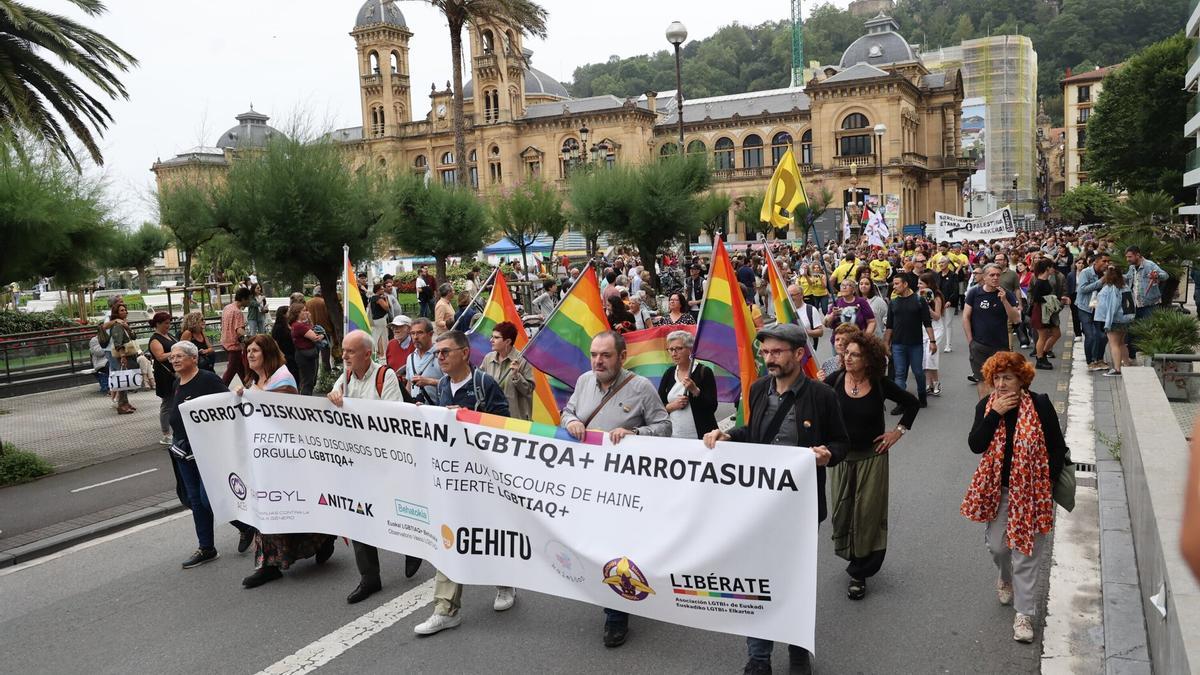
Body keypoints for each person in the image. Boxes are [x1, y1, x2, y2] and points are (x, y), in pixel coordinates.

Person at [702, 323, 848, 675]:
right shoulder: (757, 390)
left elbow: (842, 443)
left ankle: (798, 649)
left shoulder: (822, 396)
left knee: (794, 580)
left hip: (800, 507)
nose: (769, 358)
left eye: (777, 352)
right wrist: (727, 434)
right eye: (765, 352)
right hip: (758, 505)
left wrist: (828, 454)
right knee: (757, 580)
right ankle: (759, 657)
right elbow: (754, 434)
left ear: (799, 354)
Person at [560, 331, 671, 648]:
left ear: (622, 356)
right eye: (594, 354)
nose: (598, 360)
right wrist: (571, 422)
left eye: (605, 355)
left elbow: (664, 427)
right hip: (587, 484)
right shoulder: (583, 382)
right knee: (596, 543)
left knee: (617, 546)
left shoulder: (640, 388)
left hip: (626, 488)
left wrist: (634, 432)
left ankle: (616, 614)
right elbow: (567, 411)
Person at [412, 329, 514, 635]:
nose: (439, 357)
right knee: (449, 537)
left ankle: (505, 583)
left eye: (445, 352)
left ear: (465, 353)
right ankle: (446, 609)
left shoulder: (485, 383)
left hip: (483, 477)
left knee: (488, 533)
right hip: (451, 478)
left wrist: (469, 417)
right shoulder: (443, 384)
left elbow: (505, 424)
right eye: (437, 353)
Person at [962, 351, 1068, 644]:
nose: (1001, 383)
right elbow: (975, 445)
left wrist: (1046, 483)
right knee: (998, 547)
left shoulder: (1041, 405)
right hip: (1000, 492)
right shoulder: (986, 406)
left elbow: (1057, 448)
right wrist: (995, 413)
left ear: (1022, 379)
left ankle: (1024, 615)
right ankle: (1004, 576)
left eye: (1007, 377)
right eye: (996, 378)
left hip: (1033, 492)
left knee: (1028, 555)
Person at [825, 331, 919, 600]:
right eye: (846, 353)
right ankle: (851, 556)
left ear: (868, 359)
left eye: (854, 354)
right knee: (843, 512)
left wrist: (896, 432)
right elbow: (814, 406)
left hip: (872, 458)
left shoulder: (879, 383)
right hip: (842, 460)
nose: (848, 358)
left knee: (867, 515)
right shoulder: (834, 381)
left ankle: (860, 572)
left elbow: (911, 403)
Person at [327, 330, 419, 603]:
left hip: (386, 460)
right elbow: (334, 396)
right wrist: (334, 397)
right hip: (357, 460)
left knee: (395, 509)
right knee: (359, 516)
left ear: (367, 354)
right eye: (343, 351)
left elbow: (391, 415)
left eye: (350, 352)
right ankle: (369, 577)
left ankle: (413, 544)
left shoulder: (385, 376)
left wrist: (351, 408)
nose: (344, 356)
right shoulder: (345, 377)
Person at [237, 335, 336, 588]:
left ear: (268, 353)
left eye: (255, 350)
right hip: (260, 458)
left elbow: (282, 415)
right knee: (265, 509)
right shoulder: (251, 380)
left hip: (285, 457)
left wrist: (251, 398)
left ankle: (324, 536)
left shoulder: (283, 379)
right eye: (248, 350)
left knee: (291, 508)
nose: (250, 355)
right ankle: (268, 564)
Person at [166, 341, 256, 568]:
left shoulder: (207, 379)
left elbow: (227, 408)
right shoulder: (178, 382)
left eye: (179, 356)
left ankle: (244, 526)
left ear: (193, 358)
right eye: (172, 357)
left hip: (208, 451)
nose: (175, 360)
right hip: (183, 451)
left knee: (209, 498)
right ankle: (206, 547)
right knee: (195, 501)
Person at [963, 264, 1020, 398]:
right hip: (979, 346)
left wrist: (1004, 301)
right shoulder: (974, 292)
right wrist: (970, 341)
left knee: (1000, 382)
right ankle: (985, 413)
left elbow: (1016, 319)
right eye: (992, 275)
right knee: (983, 381)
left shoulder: (1007, 294)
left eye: (998, 275)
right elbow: (966, 317)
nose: (995, 278)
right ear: (984, 277)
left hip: (1001, 347)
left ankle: (999, 411)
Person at [884, 273, 935, 411]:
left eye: (896, 284)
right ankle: (902, 403)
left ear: (905, 284)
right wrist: (886, 344)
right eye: (893, 284)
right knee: (900, 373)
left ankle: (922, 396)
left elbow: (927, 322)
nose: (894, 287)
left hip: (915, 344)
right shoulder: (893, 303)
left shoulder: (919, 300)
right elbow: (889, 326)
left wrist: (932, 341)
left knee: (918, 372)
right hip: (898, 344)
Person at [657, 330, 718, 439]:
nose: (674, 353)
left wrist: (695, 391)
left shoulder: (703, 372)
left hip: (701, 436)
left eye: (679, 348)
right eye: (671, 349)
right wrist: (672, 406)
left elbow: (712, 406)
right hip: (674, 436)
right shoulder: (669, 373)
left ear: (690, 350)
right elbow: (657, 405)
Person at [480, 321, 534, 421]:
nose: (491, 340)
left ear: (508, 341)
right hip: (492, 417)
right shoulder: (488, 358)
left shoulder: (522, 360)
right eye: (492, 337)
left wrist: (516, 376)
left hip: (515, 420)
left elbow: (528, 391)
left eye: (496, 338)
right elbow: (480, 384)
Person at [1124, 245, 1169, 359]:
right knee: (1132, 330)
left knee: (1148, 330)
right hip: (1134, 304)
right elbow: (1128, 278)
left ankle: (1147, 355)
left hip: (1149, 304)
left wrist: (1156, 275)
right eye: (1127, 257)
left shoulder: (1149, 265)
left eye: (1130, 257)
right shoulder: (1132, 267)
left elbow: (1165, 275)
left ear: (1137, 255)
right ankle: (1133, 355)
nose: (1128, 259)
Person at [1095, 265, 1135, 377]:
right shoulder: (1125, 287)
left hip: (1114, 319)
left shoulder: (1111, 289)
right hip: (1125, 318)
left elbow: (1112, 307)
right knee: (1122, 343)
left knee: (1114, 344)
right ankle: (1126, 364)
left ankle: (1117, 369)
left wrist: (1107, 323)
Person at [1075, 253, 1111, 371]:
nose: (1106, 264)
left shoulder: (1107, 273)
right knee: (1090, 336)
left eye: (1108, 262)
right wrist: (1101, 281)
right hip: (1085, 308)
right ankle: (1090, 361)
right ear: (1096, 262)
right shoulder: (1086, 273)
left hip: (1100, 309)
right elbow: (1082, 289)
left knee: (1103, 336)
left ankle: (1099, 359)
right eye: (1104, 261)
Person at [147, 312, 178, 445]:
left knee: (175, 401)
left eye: (169, 322)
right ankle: (166, 433)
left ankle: (174, 429)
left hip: (174, 372)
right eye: (166, 323)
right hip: (165, 375)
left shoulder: (168, 335)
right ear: (158, 324)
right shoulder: (155, 339)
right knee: (167, 404)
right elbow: (159, 356)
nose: (168, 325)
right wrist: (176, 352)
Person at [1027, 259, 1063, 371]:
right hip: (1040, 311)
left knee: (1057, 334)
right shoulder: (1039, 281)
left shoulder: (1046, 280)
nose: (1054, 269)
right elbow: (1037, 298)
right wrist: (1053, 299)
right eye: (1052, 267)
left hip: (1048, 311)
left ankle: (1044, 353)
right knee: (1042, 336)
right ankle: (1040, 359)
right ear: (1047, 268)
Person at [917, 273, 946, 396]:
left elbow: (937, 316)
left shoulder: (937, 297)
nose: (918, 286)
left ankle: (936, 383)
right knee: (924, 359)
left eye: (921, 283)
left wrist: (927, 309)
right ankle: (929, 385)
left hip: (936, 328)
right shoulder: (918, 295)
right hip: (923, 328)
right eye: (918, 283)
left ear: (928, 284)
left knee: (930, 356)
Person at [108, 303, 137, 415]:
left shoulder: (123, 324)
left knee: (126, 379)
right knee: (123, 380)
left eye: (125, 310)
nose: (124, 312)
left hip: (129, 355)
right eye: (121, 310)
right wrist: (123, 356)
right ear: (116, 313)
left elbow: (133, 337)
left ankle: (125, 402)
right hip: (123, 355)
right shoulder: (117, 326)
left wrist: (128, 328)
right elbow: (118, 342)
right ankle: (122, 405)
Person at [220, 288, 252, 387]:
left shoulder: (227, 307)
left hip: (225, 342)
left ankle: (248, 387)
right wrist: (250, 338)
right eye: (248, 299)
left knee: (240, 369)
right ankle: (220, 389)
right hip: (234, 345)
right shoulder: (238, 312)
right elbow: (239, 331)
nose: (249, 301)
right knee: (231, 371)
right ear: (243, 299)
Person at [289, 304, 321, 396]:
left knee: (306, 380)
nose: (306, 312)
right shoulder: (299, 326)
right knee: (308, 381)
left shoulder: (296, 325)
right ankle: (306, 400)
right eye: (304, 310)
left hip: (302, 354)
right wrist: (322, 335)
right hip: (306, 354)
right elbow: (315, 337)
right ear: (298, 313)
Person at [406, 317, 441, 403]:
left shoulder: (441, 355)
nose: (415, 337)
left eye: (420, 333)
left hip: (437, 411)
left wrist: (430, 381)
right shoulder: (410, 358)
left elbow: (453, 383)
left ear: (431, 334)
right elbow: (409, 384)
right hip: (416, 411)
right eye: (412, 333)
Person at [788, 284, 826, 351]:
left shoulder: (811, 310)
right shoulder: (785, 311)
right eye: (788, 295)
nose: (790, 298)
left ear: (801, 295)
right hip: (789, 352)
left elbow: (820, 332)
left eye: (792, 295)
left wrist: (805, 332)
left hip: (808, 352)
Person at [270, 306, 297, 382]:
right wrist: (280, 353)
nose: (290, 313)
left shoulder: (287, 324)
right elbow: (275, 341)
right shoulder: (279, 327)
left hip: (291, 352)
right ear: (283, 314)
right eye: (288, 312)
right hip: (285, 353)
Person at [385, 315, 416, 381]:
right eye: (393, 327)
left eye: (399, 326)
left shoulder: (416, 345)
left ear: (409, 329)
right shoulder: (391, 344)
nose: (395, 329)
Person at [370, 283, 390, 354]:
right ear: (378, 290)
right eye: (381, 289)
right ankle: (383, 352)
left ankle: (378, 351)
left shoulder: (372, 298)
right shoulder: (378, 298)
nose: (383, 290)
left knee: (377, 335)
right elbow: (387, 308)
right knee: (382, 336)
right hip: (380, 319)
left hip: (375, 319)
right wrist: (386, 299)